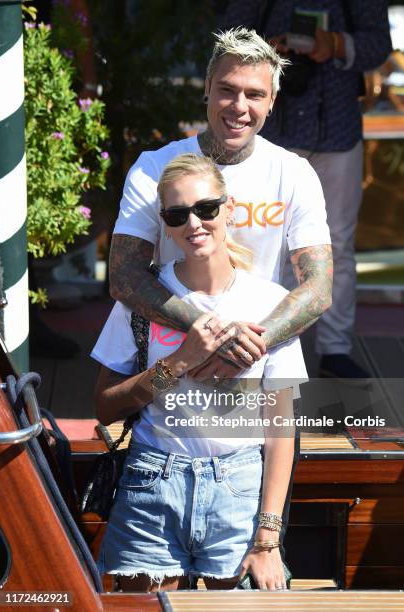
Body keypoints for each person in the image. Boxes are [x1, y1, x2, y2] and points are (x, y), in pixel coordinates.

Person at [107, 27, 331, 570]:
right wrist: (201, 335)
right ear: (206, 89)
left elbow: (318, 286)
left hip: (255, 384)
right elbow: (125, 276)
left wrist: (242, 344)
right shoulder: (155, 166)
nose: (239, 105)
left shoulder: (292, 173)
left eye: (254, 94)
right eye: (227, 89)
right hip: (165, 405)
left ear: (272, 102)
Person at [92, 154, 307, 591]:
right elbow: (104, 407)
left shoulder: (269, 302)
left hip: (239, 488)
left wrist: (268, 538)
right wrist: (179, 363)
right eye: (177, 214)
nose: (194, 223)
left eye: (206, 208)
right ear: (166, 224)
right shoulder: (143, 300)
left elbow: (280, 426)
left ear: (229, 209)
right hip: (153, 481)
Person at [221, 2, 392, 377]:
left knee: (339, 245)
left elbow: (380, 45)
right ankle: (262, 345)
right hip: (276, 131)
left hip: (339, 130)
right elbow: (228, 37)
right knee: (266, 241)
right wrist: (268, 49)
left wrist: (333, 43)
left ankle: (335, 352)